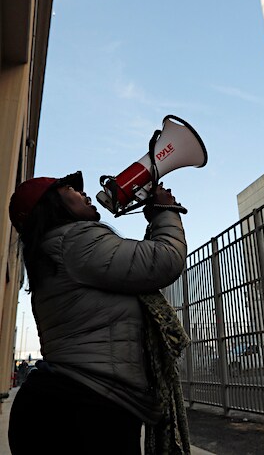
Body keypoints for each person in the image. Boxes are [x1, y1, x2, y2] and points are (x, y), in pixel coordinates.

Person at [7, 171, 191, 455]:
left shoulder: (52, 251)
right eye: (71, 189)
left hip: (69, 407)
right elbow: (165, 259)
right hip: (86, 413)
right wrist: (164, 211)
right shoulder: (74, 241)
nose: (85, 194)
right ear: (51, 205)